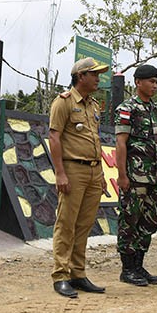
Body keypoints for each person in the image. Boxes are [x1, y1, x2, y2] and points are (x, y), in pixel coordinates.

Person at [49, 57, 109, 298]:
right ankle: (61, 276)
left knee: (84, 225)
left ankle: (78, 273)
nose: (98, 79)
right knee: (66, 224)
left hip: (94, 171)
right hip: (73, 170)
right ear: (80, 76)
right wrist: (60, 173)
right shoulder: (63, 102)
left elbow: (95, 140)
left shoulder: (94, 105)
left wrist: (101, 173)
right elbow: (54, 137)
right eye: (94, 74)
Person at [115, 65, 157, 287]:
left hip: (155, 177)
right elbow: (120, 143)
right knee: (129, 221)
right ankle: (127, 268)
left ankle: (138, 264)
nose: (155, 85)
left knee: (149, 222)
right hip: (135, 177)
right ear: (138, 82)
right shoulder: (127, 109)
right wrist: (122, 175)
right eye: (151, 81)